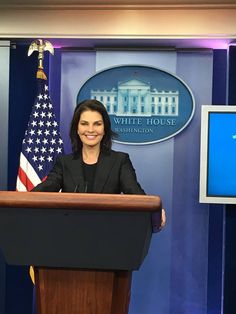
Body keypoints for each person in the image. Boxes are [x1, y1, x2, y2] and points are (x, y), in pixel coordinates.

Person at [32, 99, 145, 195]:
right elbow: (45, 189)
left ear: (104, 129)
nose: (90, 130)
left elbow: (135, 194)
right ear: (77, 128)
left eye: (97, 124)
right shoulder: (64, 163)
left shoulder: (120, 161)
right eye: (84, 124)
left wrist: (154, 210)